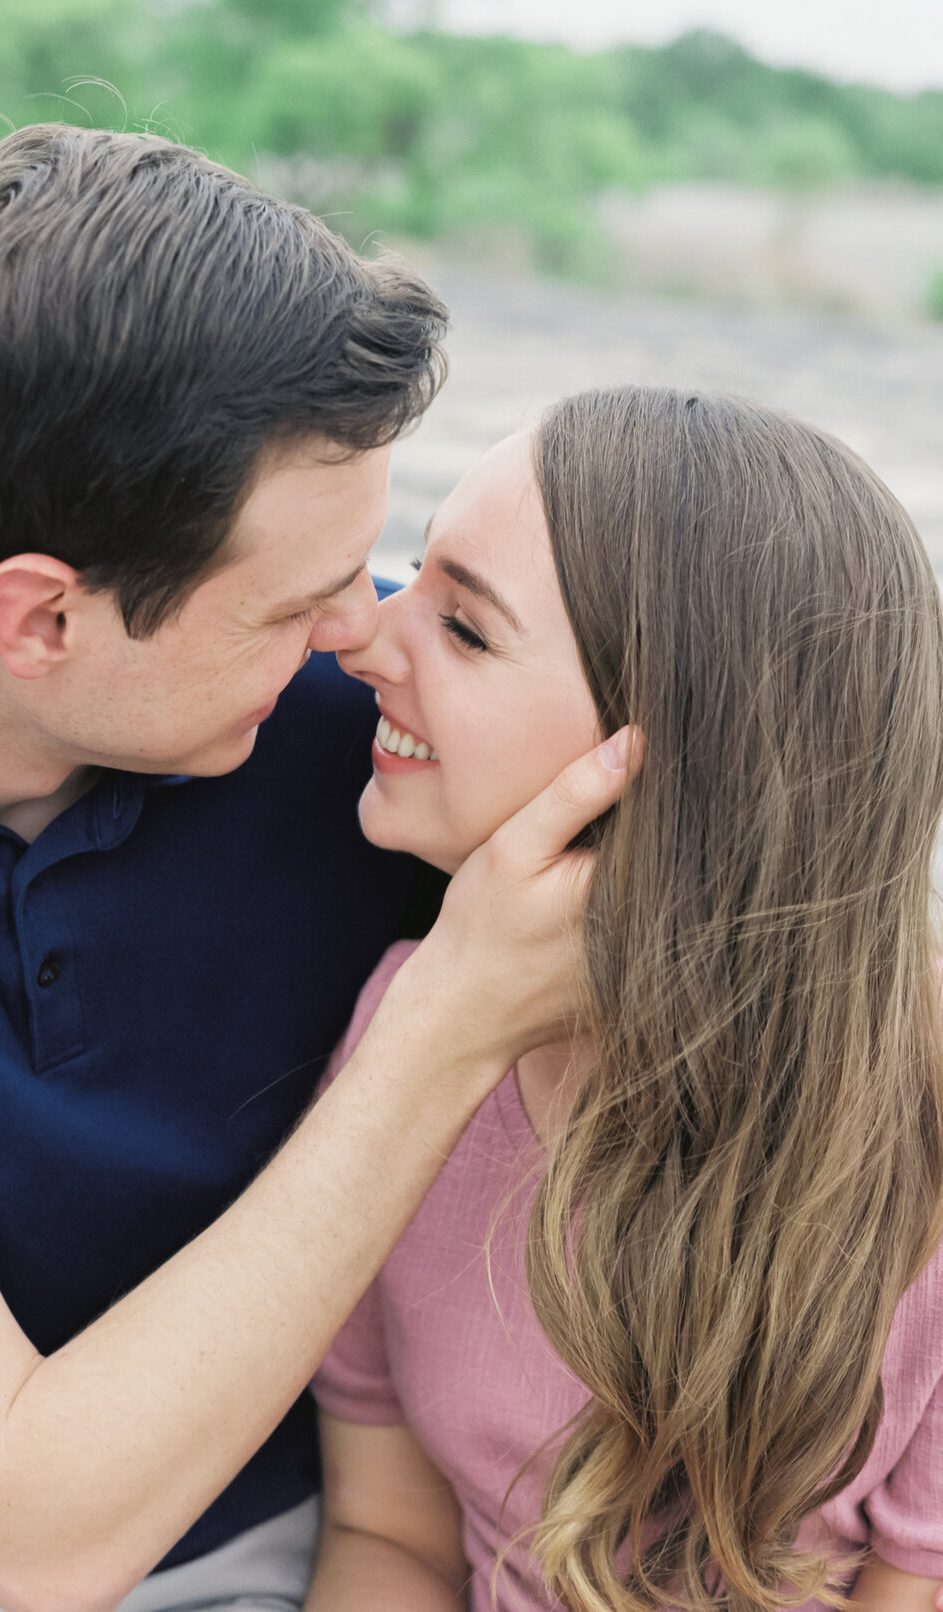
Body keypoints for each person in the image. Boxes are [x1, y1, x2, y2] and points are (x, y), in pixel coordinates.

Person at [0, 127, 630, 1612]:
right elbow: (32, 1532)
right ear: (41, 621)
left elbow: (764, 847)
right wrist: (448, 1021)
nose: (368, 632)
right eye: (299, 601)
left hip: (329, 1530)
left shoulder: (356, 702)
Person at [306, 387, 943, 1612]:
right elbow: (388, 1535)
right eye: (415, 579)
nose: (370, 643)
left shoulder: (917, 1138)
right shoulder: (408, 1032)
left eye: (468, 630)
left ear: (683, 755)